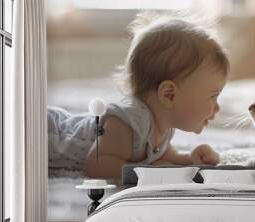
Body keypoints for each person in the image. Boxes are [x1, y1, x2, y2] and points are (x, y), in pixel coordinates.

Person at [47, 14, 230, 180]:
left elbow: (162, 157)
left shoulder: (162, 127)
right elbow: (98, 166)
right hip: (45, 133)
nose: (217, 107)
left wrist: (191, 159)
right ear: (169, 94)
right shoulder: (127, 122)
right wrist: (150, 176)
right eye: (213, 96)